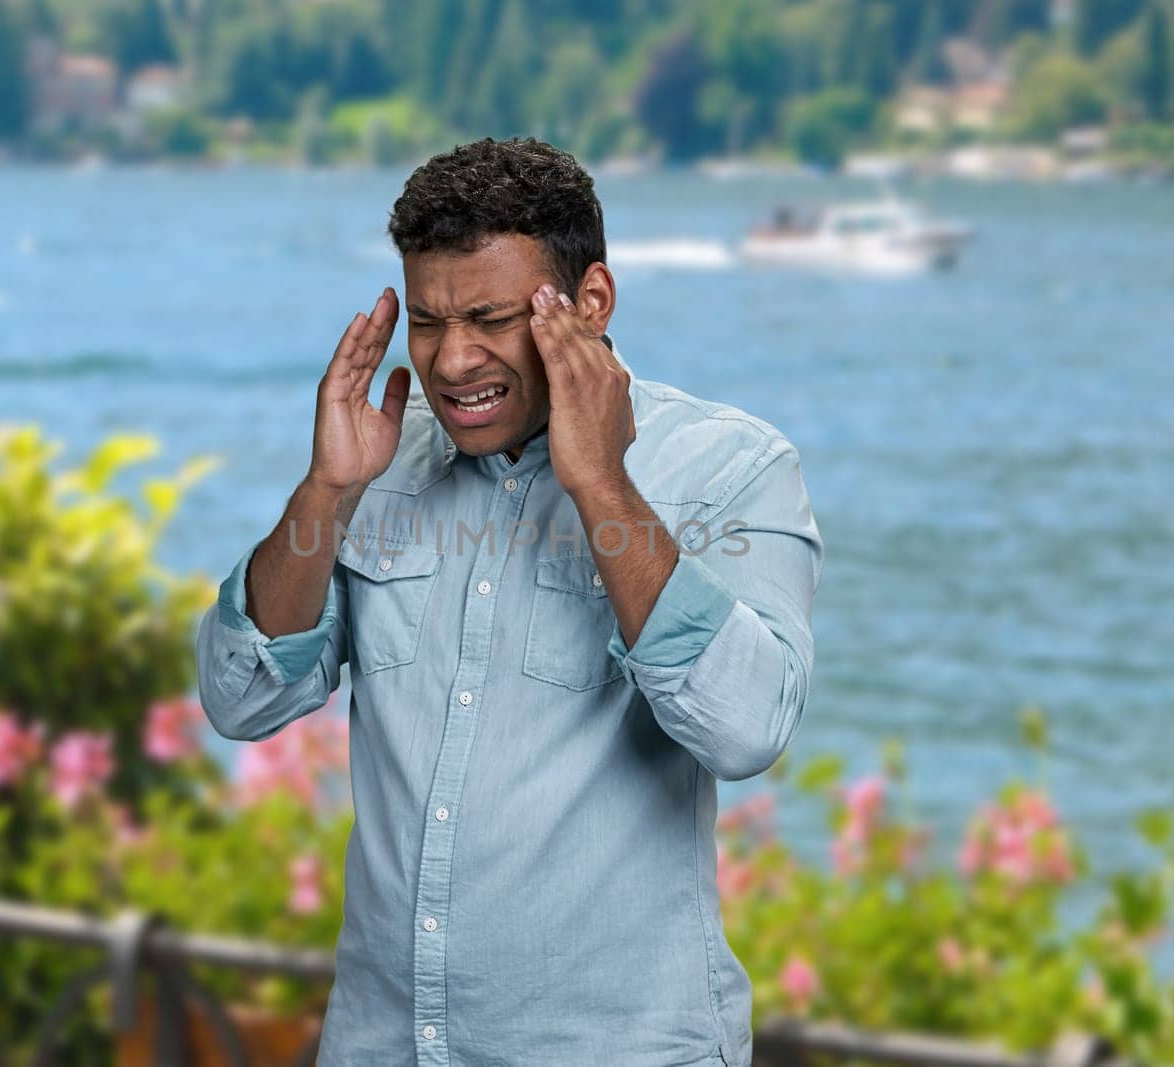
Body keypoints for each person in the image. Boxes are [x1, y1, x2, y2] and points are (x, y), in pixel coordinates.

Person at [195, 136, 824, 1066]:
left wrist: (602, 486)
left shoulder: (732, 471)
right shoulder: (379, 461)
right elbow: (240, 696)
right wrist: (327, 491)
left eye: (489, 318)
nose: (453, 362)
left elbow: (745, 728)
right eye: (428, 321)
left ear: (593, 301)